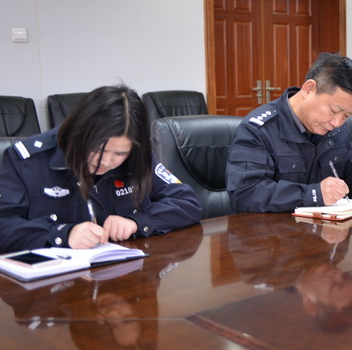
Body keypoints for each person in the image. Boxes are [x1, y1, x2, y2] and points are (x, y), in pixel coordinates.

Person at [0, 85, 202, 254]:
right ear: (79, 133)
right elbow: (4, 228)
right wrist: (63, 234)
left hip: (124, 276)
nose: (105, 162)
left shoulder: (138, 157)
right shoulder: (27, 161)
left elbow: (187, 202)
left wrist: (138, 222)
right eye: (97, 150)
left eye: (120, 153)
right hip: (52, 281)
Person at [227, 52, 352, 213]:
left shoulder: (335, 129)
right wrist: (314, 194)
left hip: (326, 227)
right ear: (308, 89)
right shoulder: (258, 130)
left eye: (346, 116)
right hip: (275, 228)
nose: (337, 123)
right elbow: (245, 194)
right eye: (333, 110)